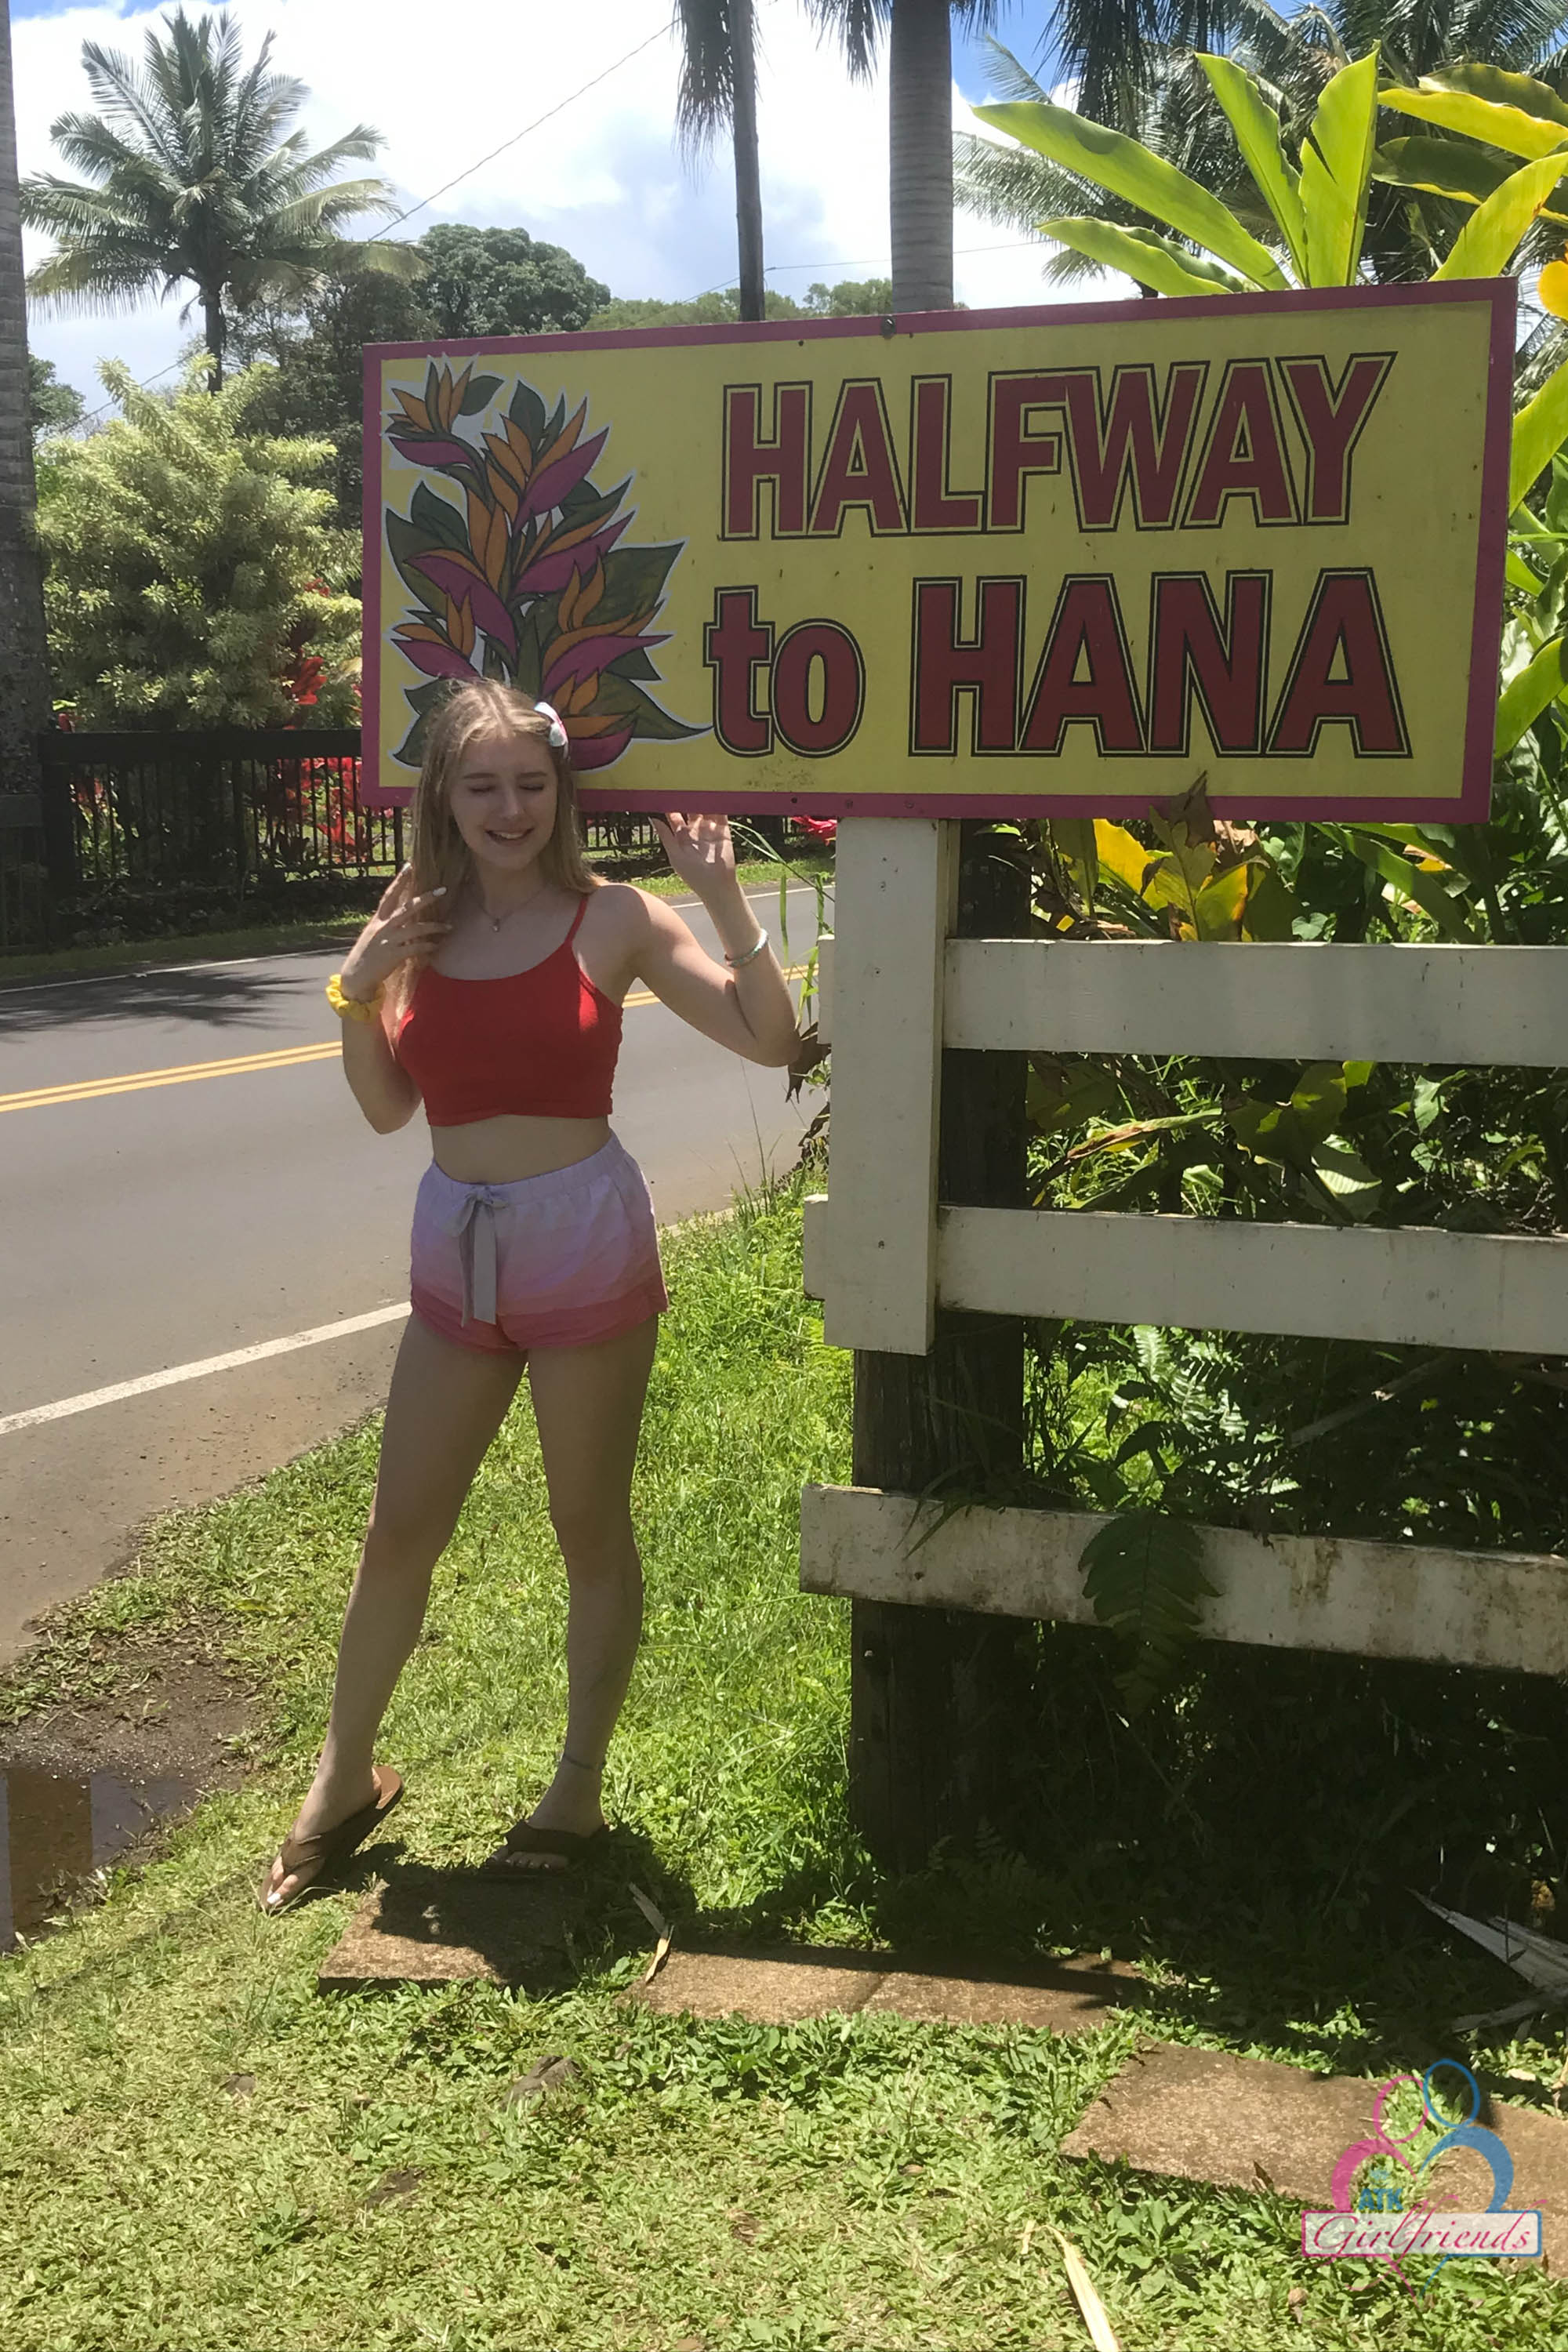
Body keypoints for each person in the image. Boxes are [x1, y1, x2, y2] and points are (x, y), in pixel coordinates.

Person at [261, 680, 801, 1914]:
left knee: (585, 1525)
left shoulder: (615, 918)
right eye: (482, 785)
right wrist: (356, 986)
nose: (509, 808)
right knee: (399, 1528)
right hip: (455, 1243)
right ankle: (342, 1780)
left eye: (530, 783)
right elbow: (388, 1107)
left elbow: (772, 1039)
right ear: (445, 797)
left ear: (562, 790)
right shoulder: (419, 922)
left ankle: (575, 1788)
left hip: (579, 1240)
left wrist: (724, 899)